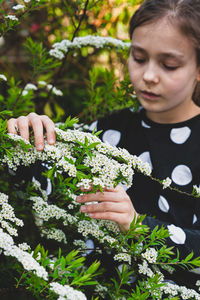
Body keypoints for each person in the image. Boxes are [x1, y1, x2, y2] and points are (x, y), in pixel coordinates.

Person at [6, 0, 200, 289]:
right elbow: (46, 185)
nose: (148, 75)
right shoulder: (108, 131)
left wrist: (138, 226)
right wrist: (25, 138)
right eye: (138, 57)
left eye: (169, 64)